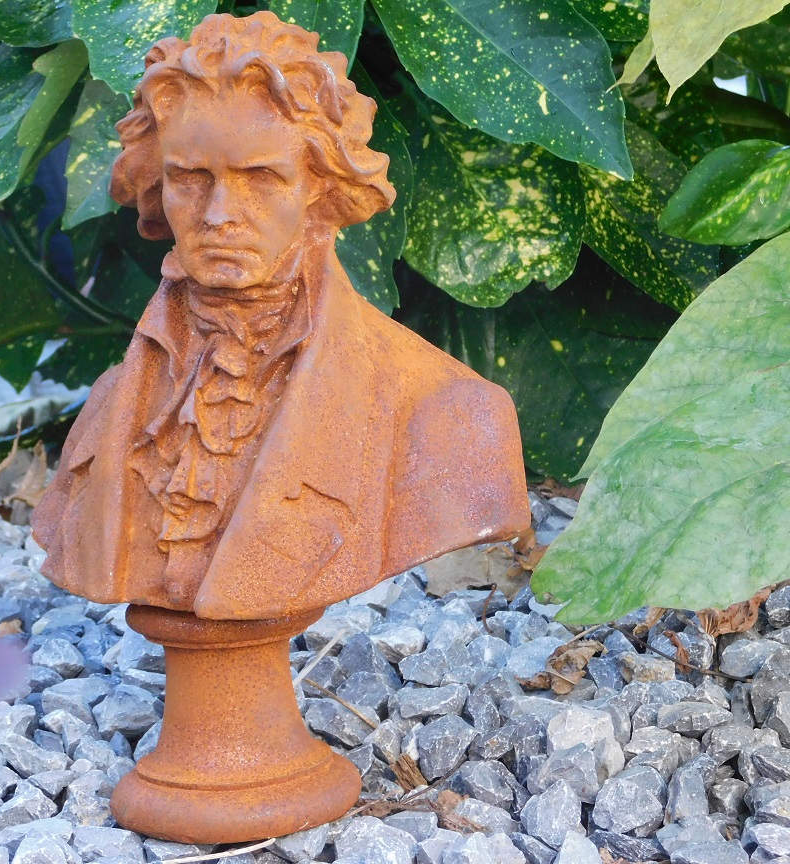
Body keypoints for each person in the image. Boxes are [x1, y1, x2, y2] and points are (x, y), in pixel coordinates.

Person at [32, 11, 529, 620]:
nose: (220, 214)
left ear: (320, 184)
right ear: (156, 185)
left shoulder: (450, 412)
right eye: (190, 178)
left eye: (261, 178)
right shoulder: (112, 403)